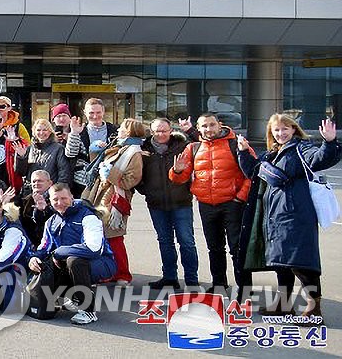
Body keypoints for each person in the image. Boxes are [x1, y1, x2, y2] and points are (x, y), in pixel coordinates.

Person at [239, 115, 339, 320]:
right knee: (280, 262)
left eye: (285, 129)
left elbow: (320, 158)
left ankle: (314, 305)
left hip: (295, 216)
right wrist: (243, 152)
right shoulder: (272, 154)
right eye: (276, 130)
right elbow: (254, 172)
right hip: (274, 216)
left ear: (294, 130)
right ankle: (283, 305)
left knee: (301, 262)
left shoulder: (301, 149)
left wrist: (329, 142)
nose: (281, 133)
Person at [168, 113, 252, 294]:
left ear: (219, 125)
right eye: (204, 126)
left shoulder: (236, 143)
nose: (208, 129)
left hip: (233, 204)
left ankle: (245, 288)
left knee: (237, 248)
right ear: (198, 128)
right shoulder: (193, 148)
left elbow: (252, 173)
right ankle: (219, 283)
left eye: (212, 125)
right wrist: (176, 171)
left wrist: (240, 197)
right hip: (206, 204)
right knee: (214, 248)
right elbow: (180, 178)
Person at [29, 183, 116, 326]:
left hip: (102, 263)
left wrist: (58, 252)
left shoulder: (88, 216)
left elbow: (93, 249)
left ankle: (88, 310)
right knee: (45, 265)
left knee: (74, 261)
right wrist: (35, 258)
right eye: (55, 199)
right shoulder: (51, 221)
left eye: (64, 198)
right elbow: (44, 247)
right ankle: (74, 296)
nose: (60, 203)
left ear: (72, 197)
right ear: (50, 201)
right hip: (69, 264)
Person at [79, 118, 145, 283]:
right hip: (100, 193)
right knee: (103, 235)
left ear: (129, 131)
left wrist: (111, 174)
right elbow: (98, 164)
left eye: (122, 127)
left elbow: (132, 179)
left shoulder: (134, 151)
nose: (119, 129)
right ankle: (109, 271)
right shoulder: (120, 146)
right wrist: (96, 149)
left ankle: (123, 274)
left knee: (114, 236)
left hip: (114, 196)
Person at [137, 118, 197, 290]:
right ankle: (170, 277)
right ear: (151, 131)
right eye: (157, 131)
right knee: (165, 241)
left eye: (164, 130)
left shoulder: (183, 145)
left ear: (171, 130)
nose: (161, 134)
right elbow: (136, 172)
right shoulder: (144, 149)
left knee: (187, 241)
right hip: (156, 203)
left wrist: (190, 130)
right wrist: (146, 189)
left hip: (181, 202)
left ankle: (191, 279)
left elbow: (203, 142)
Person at [15, 119, 71, 190]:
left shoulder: (59, 149)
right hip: (31, 191)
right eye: (38, 130)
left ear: (50, 132)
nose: (41, 133)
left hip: (50, 192)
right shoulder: (29, 149)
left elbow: (64, 174)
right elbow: (21, 172)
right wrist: (22, 158)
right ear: (34, 131)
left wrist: (56, 191)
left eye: (45, 130)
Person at [20, 170, 56, 246]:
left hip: (51, 242)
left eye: (40, 181)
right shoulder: (25, 201)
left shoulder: (56, 199)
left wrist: (45, 209)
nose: (36, 184)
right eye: (34, 181)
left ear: (50, 183)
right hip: (31, 243)